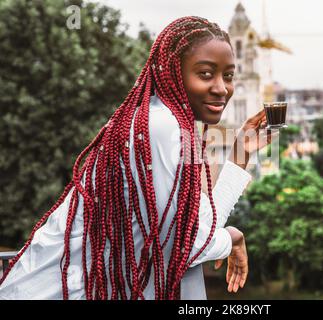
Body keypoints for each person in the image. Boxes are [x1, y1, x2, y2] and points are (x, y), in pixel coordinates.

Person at [0, 16, 277, 300]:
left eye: (228, 75)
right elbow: (180, 245)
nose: (221, 88)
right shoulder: (161, 126)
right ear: (173, 73)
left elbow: (196, 227)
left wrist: (240, 153)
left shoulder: (168, 124)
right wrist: (231, 239)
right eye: (206, 74)